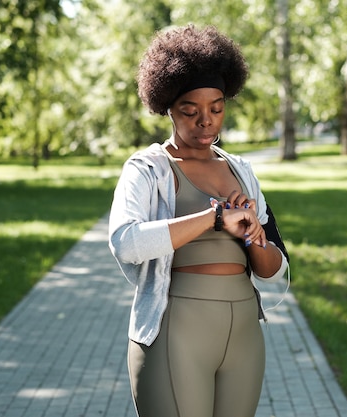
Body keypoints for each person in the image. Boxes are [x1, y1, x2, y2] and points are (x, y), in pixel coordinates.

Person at [108, 24, 289, 417]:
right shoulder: (148, 168)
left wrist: (254, 235)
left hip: (243, 333)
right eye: (191, 111)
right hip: (176, 330)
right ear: (168, 107)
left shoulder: (241, 170)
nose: (206, 121)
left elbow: (276, 270)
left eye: (217, 108)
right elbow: (125, 241)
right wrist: (212, 218)